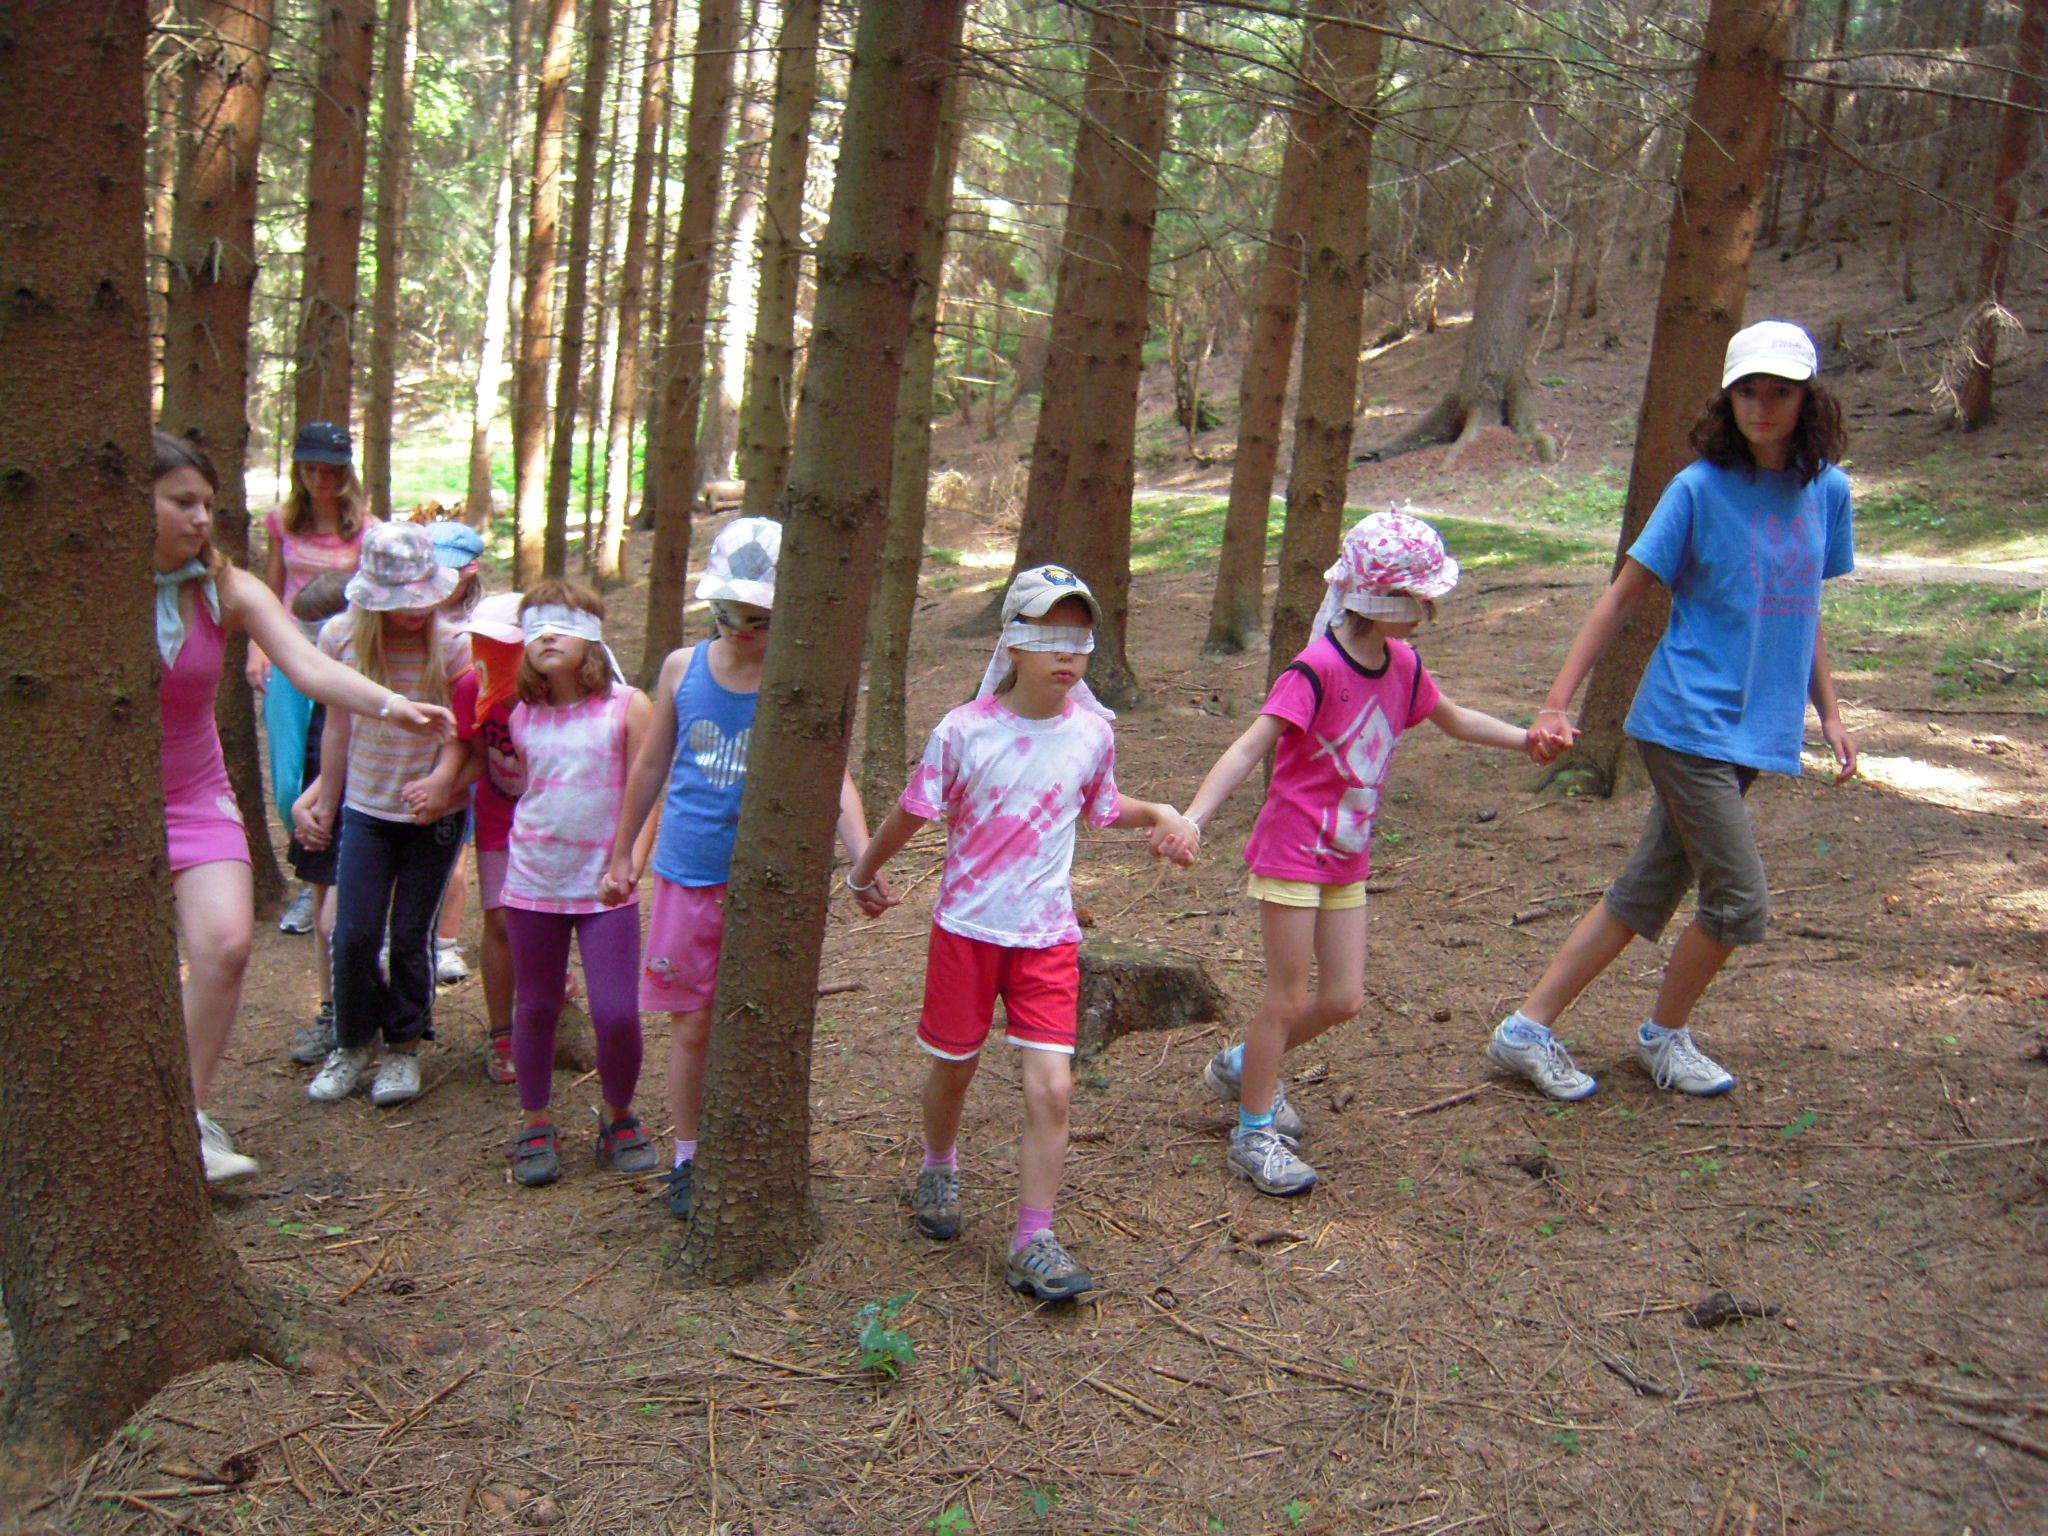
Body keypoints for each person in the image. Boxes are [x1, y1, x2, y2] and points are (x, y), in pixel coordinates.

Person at [1492, 320, 1857, 1101]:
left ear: (1808, 400)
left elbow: (1804, 609)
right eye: (1748, 390)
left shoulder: (1827, 490)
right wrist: (1556, 702)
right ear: (1728, 399)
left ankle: (1526, 1028)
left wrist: (1829, 713)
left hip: (1755, 729)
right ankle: (1663, 1035)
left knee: (1648, 888)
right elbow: (1621, 598)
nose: (1762, 406)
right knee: (1739, 900)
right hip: (1687, 719)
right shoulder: (1697, 489)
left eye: (1780, 392)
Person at [1165, 512, 1544, 1196]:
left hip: (1346, 858)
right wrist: (1193, 818)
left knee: (1342, 999)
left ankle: (1245, 1064)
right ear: (1382, 599)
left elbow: (1456, 720)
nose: (1428, 611)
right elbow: (1249, 747)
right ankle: (1253, 1131)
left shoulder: (1404, 665)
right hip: (1291, 852)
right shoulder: (1316, 668)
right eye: (1419, 598)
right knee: (1287, 996)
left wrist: (1527, 740)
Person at [843, 565, 1195, 1301]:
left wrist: (1162, 812)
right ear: (1012, 641)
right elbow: (912, 811)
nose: (1066, 651)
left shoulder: (1092, 733)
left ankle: (1033, 1239)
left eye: (1080, 637)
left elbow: (1103, 806)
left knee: (1053, 1088)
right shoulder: (964, 731)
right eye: (1048, 634)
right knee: (954, 1069)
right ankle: (939, 1165)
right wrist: (863, 871)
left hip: (1047, 938)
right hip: (967, 932)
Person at [150, 433, 449, 1182]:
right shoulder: (75, 587)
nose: (201, 519)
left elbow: (311, 665)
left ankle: (184, 1119)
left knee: (226, 944)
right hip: (105, 809)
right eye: (182, 502)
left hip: (193, 796)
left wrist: (392, 705)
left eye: (207, 504)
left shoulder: (224, 586)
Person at [603, 517, 878, 1219]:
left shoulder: (798, 681)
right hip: (688, 872)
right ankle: (688, 1156)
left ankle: (759, 1144)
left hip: (766, 882)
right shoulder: (682, 668)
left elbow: (834, 777)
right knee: (692, 1024)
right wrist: (622, 852)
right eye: (727, 614)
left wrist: (863, 859)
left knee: (762, 1018)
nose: (740, 630)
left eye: (758, 618)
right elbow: (650, 764)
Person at [445, 580, 656, 1186]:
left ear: (592, 637)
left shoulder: (627, 706)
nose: (547, 638)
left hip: (604, 888)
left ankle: (618, 1113)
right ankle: (535, 1120)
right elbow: (512, 783)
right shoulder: (522, 716)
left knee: (616, 1013)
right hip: (533, 881)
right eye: (535, 629)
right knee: (535, 1007)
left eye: (562, 625)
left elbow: (646, 793)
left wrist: (628, 862)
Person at [294, 522, 473, 1108]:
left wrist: (441, 782)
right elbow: (338, 725)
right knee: (352, 933)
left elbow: (462, 731)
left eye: (423, 598)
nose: (415, 611)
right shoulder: (340, 637)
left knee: (410, 935)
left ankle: (403, 1047)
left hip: (432, 815)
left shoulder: (453, 643)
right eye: (402, 601)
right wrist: (326, 798)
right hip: (367, 808)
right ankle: (351, 1041)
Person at [253, 421, 375, 936]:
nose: (321, 480)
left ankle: (325, 879)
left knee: (332, 766)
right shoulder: (281, 522)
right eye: (311, 470)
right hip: (288, 650)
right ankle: (309, 867)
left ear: (346, 474)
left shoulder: (366, 527)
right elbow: (272, 588)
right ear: (299, 472)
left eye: (331, 471)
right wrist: (258, 646)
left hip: (344, 657)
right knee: (288, 783)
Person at [404, 591, 527, 1082]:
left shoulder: (558, 693)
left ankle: (546, 995)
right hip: (499, 814)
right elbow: (474, 752)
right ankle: (502, 1033)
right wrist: (442, 787)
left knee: (550, 917)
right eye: (480, 642)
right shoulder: (472, 687)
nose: (488, 653)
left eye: (502, 645)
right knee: (498, 919)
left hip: (555, 820)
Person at [282, 570, 354, 1067]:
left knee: (340, 923)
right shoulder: (319, 685)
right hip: (321, 805)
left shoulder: (360, 682)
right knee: (322, 913)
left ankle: (357, 1016)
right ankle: (330, 1013)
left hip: (356, 806)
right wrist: (305, 805)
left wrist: (312, 801)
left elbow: (349, 750)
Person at [425, 518, 487, 986]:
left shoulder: (482, 624)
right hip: (413, 746)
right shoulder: (409, 613)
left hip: (467, 747)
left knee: (454, 850)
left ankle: (445, 943)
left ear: (471, 570)